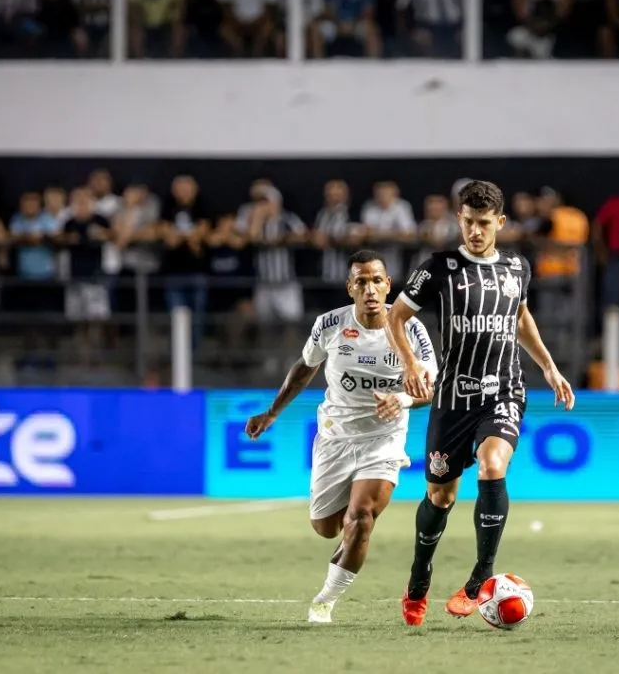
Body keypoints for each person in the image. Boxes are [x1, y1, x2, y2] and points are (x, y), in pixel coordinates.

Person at [385, 180, 576, 626]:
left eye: (484, 223)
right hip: (453, 397)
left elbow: (520, 316)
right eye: (468, 222)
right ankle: (419, 579)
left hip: (504, 390)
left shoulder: (517, 268)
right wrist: (410, 364)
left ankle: (479, 581)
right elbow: (397, 315)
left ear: (500, 223)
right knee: (442, 495)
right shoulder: (438, 268)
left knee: (493, 465)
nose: (475, 231)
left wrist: (547, 366)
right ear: (459, 219)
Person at [244, 249, 438, 624]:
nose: (370, 289)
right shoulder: (330, 324)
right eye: (361, 281)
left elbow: (428, 388)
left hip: (383, 438)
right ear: (350, 287)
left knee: (361, 518)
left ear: (388, 286)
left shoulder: (411, 328)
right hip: (335, 437)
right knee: (326, 528)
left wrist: (400, 399)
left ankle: (325, 601)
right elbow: (305, 368)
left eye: (377, 280)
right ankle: (348, 540)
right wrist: (272, 412)